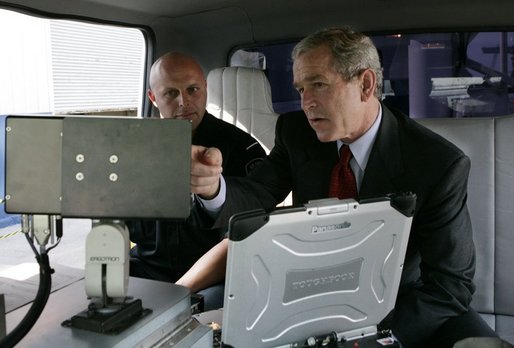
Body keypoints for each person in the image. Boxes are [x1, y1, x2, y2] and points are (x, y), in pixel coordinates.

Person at [189, 27, 498, 347]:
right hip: (304, 291)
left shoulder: (436, 164)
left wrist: (374, 339)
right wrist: (213, 188)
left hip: (398, 304)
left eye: (318, 85)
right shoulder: (296, 133)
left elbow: (449, 286)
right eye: (300, 89)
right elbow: (256, 195)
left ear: (365, 84)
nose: (306, 103)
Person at [128, 52, 266, 310]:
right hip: (147, 270)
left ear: (205, 89)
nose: (184, 102)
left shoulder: (242, 150)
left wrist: (177, 292)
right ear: (153, 98)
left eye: (193, 90)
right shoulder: (131, 150)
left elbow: (244, 239)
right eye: (170, 93)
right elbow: (118, 226)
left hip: (213, 280)